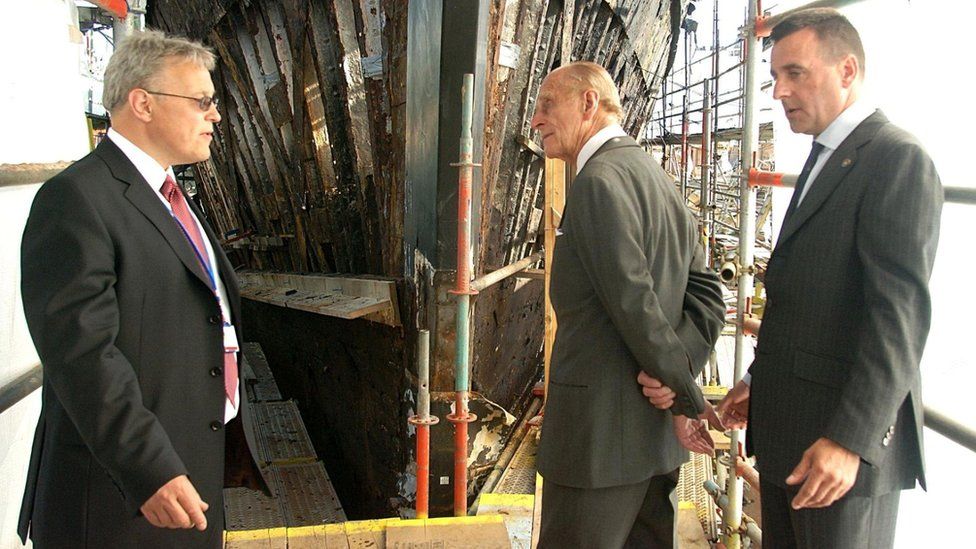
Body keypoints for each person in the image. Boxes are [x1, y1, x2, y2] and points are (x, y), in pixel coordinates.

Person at [645, 8, 942, 548]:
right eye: (775, 75)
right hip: (792, 440)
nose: (779, 91)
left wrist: (849, 441)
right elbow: (807, 300)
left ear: (847, 71)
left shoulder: (897, 159)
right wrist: (759, 383)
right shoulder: (828, 157)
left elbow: (898, 321)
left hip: (838, 461)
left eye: (795, 73)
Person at [18, 30, 266, 548]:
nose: (214, 115)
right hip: (123, 499)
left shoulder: (165, 195)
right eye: (202, 101)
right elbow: (83, 355)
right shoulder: (76, 201)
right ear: (143, 103)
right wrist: (148, 468)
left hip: (185, 479)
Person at [532, 61, 726, 548]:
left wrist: (681, 391)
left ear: (588, 104)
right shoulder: (658, 179)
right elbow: (706, 294)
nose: (535, 120)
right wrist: (672, 380)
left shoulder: (598, 182)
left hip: (598, 446)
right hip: (652, 444)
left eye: (546, 104)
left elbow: (632, 301)